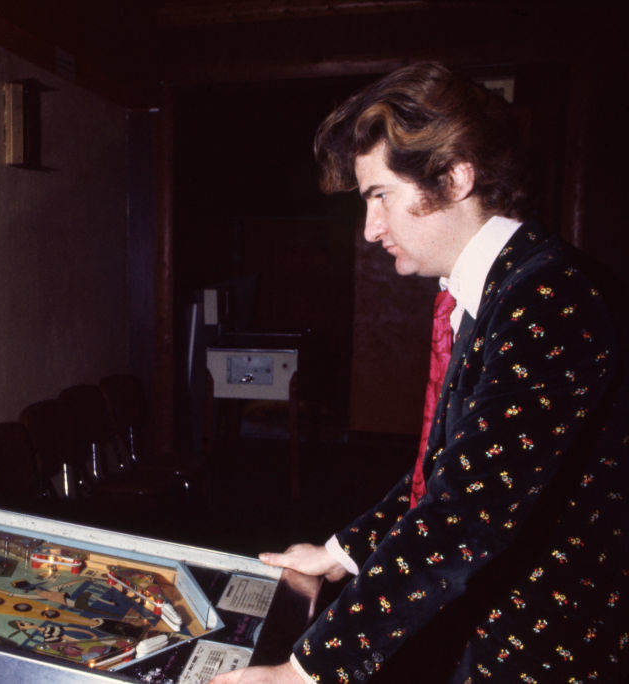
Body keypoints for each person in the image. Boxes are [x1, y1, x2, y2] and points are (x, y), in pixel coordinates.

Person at [210, 62, 628, 683]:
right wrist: (340, 552)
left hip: (552, 651)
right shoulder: (502, 287)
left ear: (456, 178)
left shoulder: (547, 296)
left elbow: (463, 513)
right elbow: (452, 465)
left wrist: (304, 672)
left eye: (380, 196)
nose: (372, 229)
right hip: (499, 633)